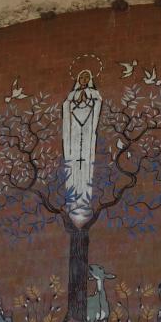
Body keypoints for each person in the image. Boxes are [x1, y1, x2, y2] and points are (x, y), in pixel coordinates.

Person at [62, 68, 102, 227]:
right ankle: (72, 202)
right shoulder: (71, 96)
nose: (84, 79)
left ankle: (85, 201)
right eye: (82, 77)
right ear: (78, 79)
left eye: (87, 77)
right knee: (73, 166)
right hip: (74, 135)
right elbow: (66, 107)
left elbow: (98, 103)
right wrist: (75, 101)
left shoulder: (94, 94)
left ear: (90, 79)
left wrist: (89, 98)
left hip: (87, 135)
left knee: (85, 166)